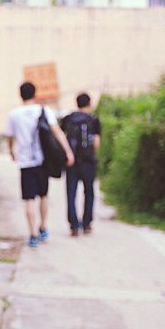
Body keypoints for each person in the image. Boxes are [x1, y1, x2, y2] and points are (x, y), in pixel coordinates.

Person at [5, 82, 74, 247]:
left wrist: (11, 151)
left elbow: (9, 136)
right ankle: (43, 226)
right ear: (35, 94)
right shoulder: (44, 111)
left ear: (20, 95)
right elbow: (57, 132)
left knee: (29, 199)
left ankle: (33, 234)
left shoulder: (14, 114)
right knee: (43, 195)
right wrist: (68, 152)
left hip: (25, 161)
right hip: (43, 161)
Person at [61, 93, 101, 236]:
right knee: (89, 192)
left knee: (71, 193)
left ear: (77, 103)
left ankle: (73, 226)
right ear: (89, 103)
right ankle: (87, 224)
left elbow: (62, 138)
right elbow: (96, 143)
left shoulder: (68, 118)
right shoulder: (94, 120)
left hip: (71, 161)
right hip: (88, 161)